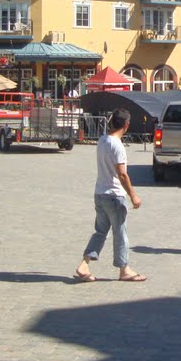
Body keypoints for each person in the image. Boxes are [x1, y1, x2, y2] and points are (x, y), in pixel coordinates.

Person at [73, 108, 146, 283]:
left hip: (100, 193)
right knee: (120, 232)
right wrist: (133, 195)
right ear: (126, 125)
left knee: (100, 231)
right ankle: (124, 269)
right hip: (114, 195)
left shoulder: (102, 140)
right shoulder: (118, 145)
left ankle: (85, 263)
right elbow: (122, 174)